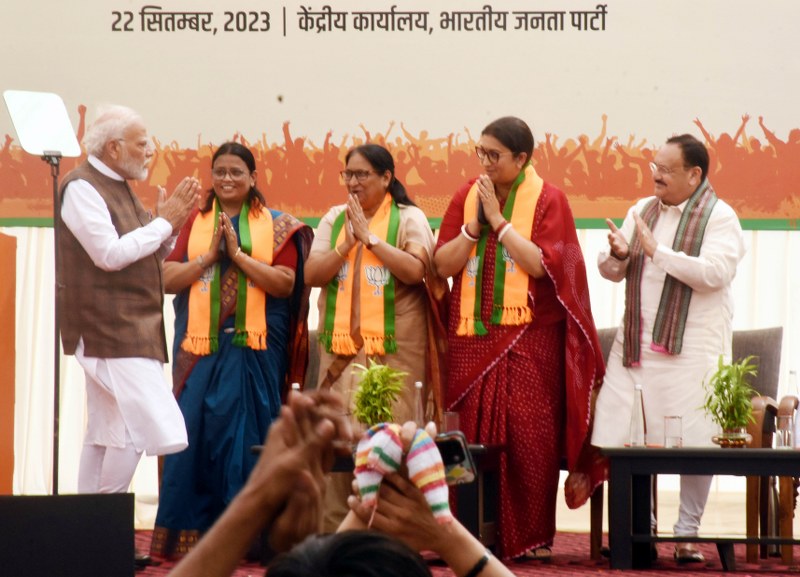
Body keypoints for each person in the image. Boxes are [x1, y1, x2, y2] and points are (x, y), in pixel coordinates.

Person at [433, 116, 605, 561]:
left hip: (530, 336)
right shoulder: (465, 196)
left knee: (529, 437)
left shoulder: (550, 200)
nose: (485, 163)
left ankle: (529, 537)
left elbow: (544, 266)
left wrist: (499, 221)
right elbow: (443, 266)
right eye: (481, 153)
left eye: (495, 155)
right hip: (472, 335)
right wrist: (475, 226)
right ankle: (466, 534)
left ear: (522, 159)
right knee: (466, 438)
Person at [150, 142, 313, 560]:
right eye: (219, 171)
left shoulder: (279, 226)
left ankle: (251, 537)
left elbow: (284, 284)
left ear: (253, 178)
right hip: (200, 351)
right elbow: (167, 278)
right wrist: (208, 257)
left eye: (236, 171)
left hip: (253, 351)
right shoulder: (195, 222)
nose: (226, 178)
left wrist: (238, 256)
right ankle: (196, 534)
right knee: (194, 435)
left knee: (246, 440)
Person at [591, 134, 746, 563]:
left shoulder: (720, 217)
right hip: (638, 345)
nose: (655, 174)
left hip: (692, 346)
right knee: (621, 428)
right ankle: (635, 530)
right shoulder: (641, 210)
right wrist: (619, 256)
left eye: (666, 169)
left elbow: (714, 273)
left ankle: (686, 535)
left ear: (694, 175)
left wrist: (658, 252)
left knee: (694, 438)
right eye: (653, 166)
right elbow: (610, 272)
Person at [57, 104, 199, 566]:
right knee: (141, 427)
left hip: (127, 328)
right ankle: (100, 533)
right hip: (107, 329)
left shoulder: (119, 187)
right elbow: (109, 255)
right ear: (114, 147)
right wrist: (165, 222)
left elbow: (145, 259)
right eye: (141, 142)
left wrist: (164, 229)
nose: (150, 149)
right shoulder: (81, 187)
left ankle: (87, 536)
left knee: (106, 431)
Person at [303, 143, 444, 531]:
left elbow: (417, 271)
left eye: (362, 174)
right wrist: (346, 243)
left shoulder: (409, 218)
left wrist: (371, 240)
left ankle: (395, 531)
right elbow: (312, 275)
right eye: (348, 174)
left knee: (393, 438)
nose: (353, 182)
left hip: (395, 351)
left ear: (386, 177)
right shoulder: (334, 219)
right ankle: (336, 530)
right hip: (342, 351)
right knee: (339, 436)